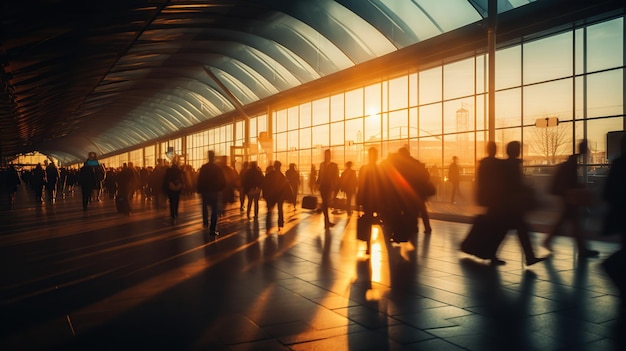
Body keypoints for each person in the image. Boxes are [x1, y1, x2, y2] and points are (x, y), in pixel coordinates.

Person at [544, 140, 599, 258]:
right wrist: (579, 187)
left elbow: (568, 181)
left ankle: (548, 241)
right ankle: (582, 250)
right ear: (584, 149)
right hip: (569, 196)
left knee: (568, 221)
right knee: (574, 223)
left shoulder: (572, 160)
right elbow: (570, 182)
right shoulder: (573, 162)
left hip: (566, 195)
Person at [501, 141, 547, 266]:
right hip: (512, 205)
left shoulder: (507, 164)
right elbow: (515, 185)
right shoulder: (513, 165)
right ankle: (529, 257)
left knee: (506, 230)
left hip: (508, 204)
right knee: (520, 230)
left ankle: (529, 256)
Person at [357, 147, 382, 255]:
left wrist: (359, 200)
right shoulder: (379, 169)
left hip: (368, 198)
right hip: (375, 198)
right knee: (373, 220)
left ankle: (368, 244)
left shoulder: (364, 169)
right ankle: (371, 243)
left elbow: (360, 184)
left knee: (367, 220)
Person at [197, 150, 226, 235]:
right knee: (214, 209)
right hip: (214, 191)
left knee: (204, 206)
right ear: (214, 158)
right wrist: (220, 188)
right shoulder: (217, 168)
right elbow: (222, 180)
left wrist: (199, 189)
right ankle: (212, 228)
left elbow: (200, 179)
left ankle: (205, 222)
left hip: (205, 191)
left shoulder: (204, 167)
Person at [262, 160, 289, 234]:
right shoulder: (282, 176)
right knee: (280, 210)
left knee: (269, 211)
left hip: (271, 195)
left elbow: (265, 184)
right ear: (280, 166)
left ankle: (268, 226)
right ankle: (280, 225)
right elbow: (285, 187)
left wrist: (265, 195)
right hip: (279, 196)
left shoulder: (270, 174)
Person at [317, 150, 339, 229]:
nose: (327, 156)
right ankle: (327, 221)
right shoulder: (322, 165)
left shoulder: (334, 165)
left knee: (326, 203)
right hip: (323, 187)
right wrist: (317, 183)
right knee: (325, 203)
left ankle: (327, 221)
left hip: (329, 187)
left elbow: (336, 177)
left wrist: (335, 187)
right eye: (326, 154)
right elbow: (320, 175)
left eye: (328, 154)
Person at [163, 158, 184, 223]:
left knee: (171, 201)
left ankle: (172, 214)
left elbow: (166, 179)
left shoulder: (168, 170)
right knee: (177, 200)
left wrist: (165, 188)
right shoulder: (179, 170)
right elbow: (182, 178)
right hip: (178, 187)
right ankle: (176, 212)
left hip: (170, 187)